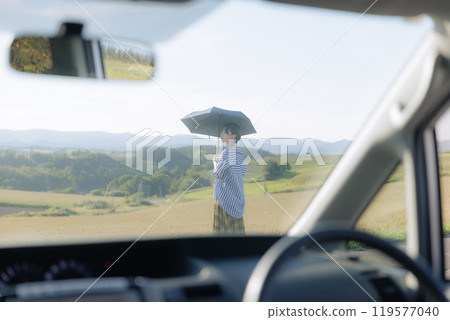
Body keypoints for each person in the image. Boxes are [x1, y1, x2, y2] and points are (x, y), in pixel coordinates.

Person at [212, 123, 247, 234]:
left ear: (233, 135)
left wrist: (214, 161)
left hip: (224, 202)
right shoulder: (238, 155)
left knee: (222, 238)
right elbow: (241, 172)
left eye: (225, 132)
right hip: (237, 201)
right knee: (237, 236)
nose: (221, 134)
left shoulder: (226, 154)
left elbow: (217, 174)